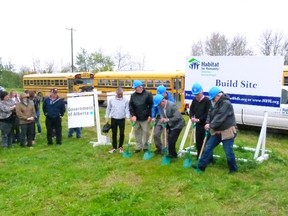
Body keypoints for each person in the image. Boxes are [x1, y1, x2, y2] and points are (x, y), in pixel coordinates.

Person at [193, 86, 238, 174]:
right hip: (216, 131)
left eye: (213, 98)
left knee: (228, 152)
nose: (213, 100)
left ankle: (233, 169)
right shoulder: (214, 103)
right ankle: (201, 166)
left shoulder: (226, 104)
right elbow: (209, 114)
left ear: (219, 95)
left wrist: (210, 125)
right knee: (207, 148)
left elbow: (219, 117)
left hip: (227, 131)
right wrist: (207, 123)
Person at [153, 94, 185, 158]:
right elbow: (162, 114)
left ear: (163, 101)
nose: (159, 106)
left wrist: (167, 120)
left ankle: (172, 154)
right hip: (170, 124)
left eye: (159, 104)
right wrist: (162, 119)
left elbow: (177, 117)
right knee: (169, 139)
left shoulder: (172, 105)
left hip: (178, 124)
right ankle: (172, 154)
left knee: (171, 139)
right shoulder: (161, 106)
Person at [129, 80, 154, 153]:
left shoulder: (148, 94)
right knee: (137, 132)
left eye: (136, 87)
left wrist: (150, 115)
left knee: (146, 132)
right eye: (135, 88)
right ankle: (138, 147)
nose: (135, 89)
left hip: (145, 117)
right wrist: (133, 115)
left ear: (140, 87)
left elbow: (151, 105)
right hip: (136, 117)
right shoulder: (133, 95)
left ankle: (145, 147)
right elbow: (131, 106)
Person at [189, 83, 211, 159]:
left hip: (205, 125)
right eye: (195, 95)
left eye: (197, 94)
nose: (196, 96)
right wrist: (191, 117)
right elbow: (191, 110)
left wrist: (199, 119)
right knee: (198, 142)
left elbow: (207, 113)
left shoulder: (207, 101)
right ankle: (199, 156)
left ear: (201, 92)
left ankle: (208, 158)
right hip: (198, 125)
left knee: (206, 143)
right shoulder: (194, 100)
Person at [105, 87, 130, 153]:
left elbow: (127, 109)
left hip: (122, 119)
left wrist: (127, 117)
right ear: (116, 93)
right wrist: (107, 117)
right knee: (114, 133)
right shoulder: (111, 100)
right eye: (119, 94)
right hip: (114, 119)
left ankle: (120, 147)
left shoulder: (126, 100)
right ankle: (114, 147)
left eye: (121, 94)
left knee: (122, 133)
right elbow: (108, 109)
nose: (120, 95)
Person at [152, 85, 175, 154]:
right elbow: (154, 107)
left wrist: (168, 119)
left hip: (167, 118)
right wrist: (153, 116)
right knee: (156, 134)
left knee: (166, 135)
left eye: (161, 94)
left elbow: (173, 110)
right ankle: (159, 148)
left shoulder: (171, 99)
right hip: (159, 118)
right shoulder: (156, 98)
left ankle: (165, 150)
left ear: (165, 92)